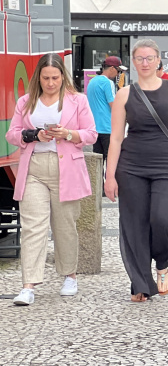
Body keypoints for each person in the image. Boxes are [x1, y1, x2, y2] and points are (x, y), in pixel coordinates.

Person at [4, 53, 98, 306]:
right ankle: (28, 285)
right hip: (33, 167)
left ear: (62, 76)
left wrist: (68, 133)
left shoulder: (77, 100)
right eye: (45, 78)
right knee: (33, 227)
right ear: (39, 78)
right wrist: (34, 135)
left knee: (65, 225)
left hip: (66, 168)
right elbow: (12, 134)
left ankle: (69, 274)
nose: (50, 82)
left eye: (55, 77)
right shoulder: (26, 101)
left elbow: (91, 134)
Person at [105, 39, 168, 302]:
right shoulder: (124, 94)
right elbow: (116, 138)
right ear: (133, 61)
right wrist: (110, 176)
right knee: (135, 225)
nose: (145, 63)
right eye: (140, 58)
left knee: (163, 219)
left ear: (158, 60)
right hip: (132, 166)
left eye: (150, 58)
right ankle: (141, 284)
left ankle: (162, 262)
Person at [86, 56, 126, 162]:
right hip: (108, 128)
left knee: (97, 163)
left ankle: (98, 180)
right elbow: (114, 106)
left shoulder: (92, 82)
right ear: (112, 68)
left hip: (95, 128)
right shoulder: (108, 83)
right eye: (118, 71)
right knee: (112, 162)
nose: (118, 75)